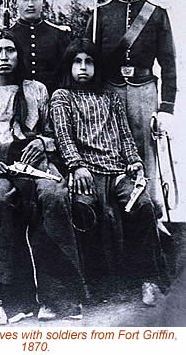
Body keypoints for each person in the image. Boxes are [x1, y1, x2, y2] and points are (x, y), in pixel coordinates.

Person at [0, 29, 84, 324]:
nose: (4, 57)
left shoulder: (37, 89)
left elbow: (53, 135)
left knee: (55, 195)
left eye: (10, 50)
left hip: (34, 160)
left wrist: (41, 143)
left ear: (19, 55)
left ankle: (58, 297)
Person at [50, 38, 167, 306]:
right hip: (85, 173)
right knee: (85, 210)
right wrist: (77, 166)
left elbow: (125, 136)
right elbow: (64, 138)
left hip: (117, 172)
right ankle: (94, 283)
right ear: (68, 66)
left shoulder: (110, 98)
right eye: (77, 62)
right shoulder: (62, 97)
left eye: (88, 62)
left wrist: (135, 162)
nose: (82, 68)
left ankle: (147, 279)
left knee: (143, 206)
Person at [85, 0, 177, 217]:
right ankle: (115, 215)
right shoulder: (100, 13)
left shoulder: (157, 14)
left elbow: (168, 63)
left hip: (144, 92)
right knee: (109, 151)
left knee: (145, 152)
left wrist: (166, 107)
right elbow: (88, 57)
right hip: (109, 90)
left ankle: (149, 215)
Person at [9, 0, 70, 96]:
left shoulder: (59, 36)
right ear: (15, 2)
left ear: (43, 1)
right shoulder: (7, 37)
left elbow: (67, 75)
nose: (30, 4)